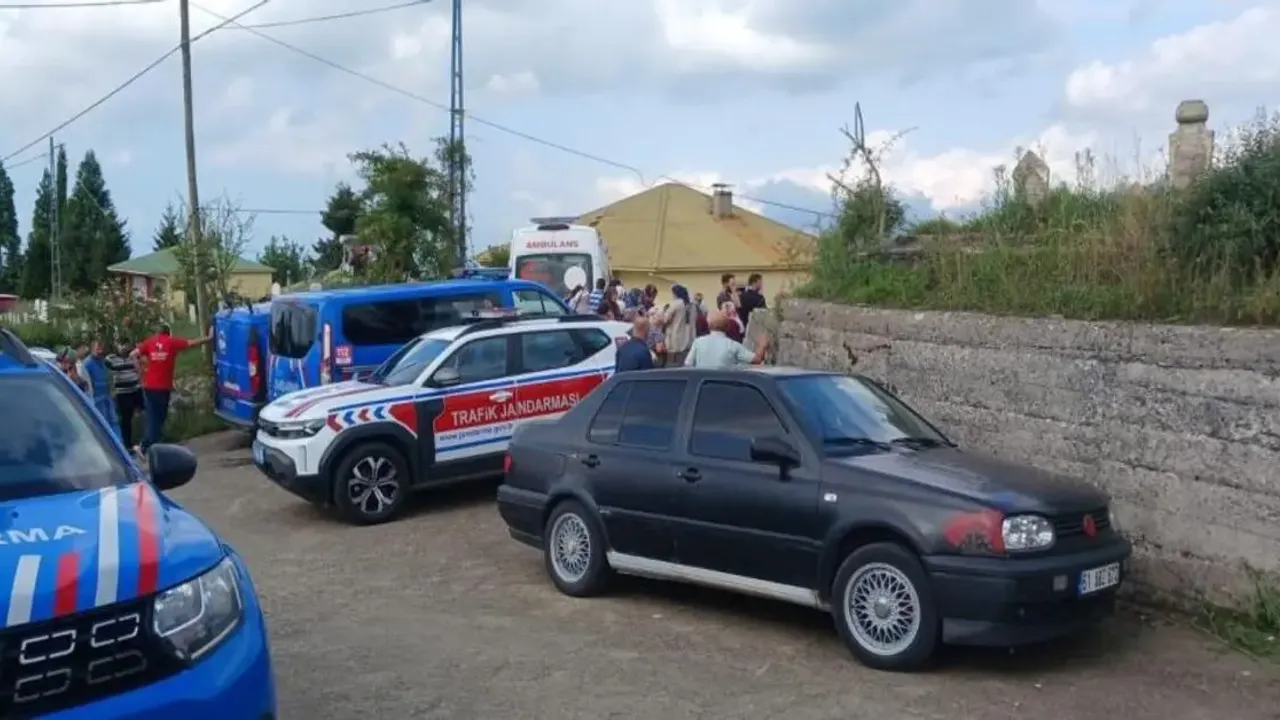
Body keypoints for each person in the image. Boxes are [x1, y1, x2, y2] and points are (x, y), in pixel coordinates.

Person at [132, 322, 210, 455]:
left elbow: (133, 354)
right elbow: (192, 343)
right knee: (158, 418)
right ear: (168, 333)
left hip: (150, 386)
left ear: (158, 333)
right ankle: (144, 446)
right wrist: (209, 338)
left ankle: (152, 445)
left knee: (156, 417)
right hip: (162, 387)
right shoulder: (171, 342)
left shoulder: (150, 342)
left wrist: (141, 372)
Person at [685, 310, 770, 369]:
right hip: (726, 385)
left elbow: (688, 364)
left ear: (709, 325)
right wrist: (762, 345)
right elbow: (756, 360)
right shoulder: (733, 345)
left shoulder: (698, 342)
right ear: (727, 326)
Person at [80, 336, 123, 440]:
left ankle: (119, 444)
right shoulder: (87, 364)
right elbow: (86, 385)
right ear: (92, 349)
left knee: (114, 423)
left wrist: (111, 393)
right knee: (102, 427)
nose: (100, 351)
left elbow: (108, 378)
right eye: (97, 348)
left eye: (101, 348)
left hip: (107, 399)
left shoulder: (103, 361)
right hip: (96, 401)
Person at [106, 340, 144, 449]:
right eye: (121, 345)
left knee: (144, 413)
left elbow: (142, 367)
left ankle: (143, 439)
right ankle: (127, 444)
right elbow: (104, 362)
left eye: (125, 345)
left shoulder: (134, 357)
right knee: (126, 419)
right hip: (123, 393)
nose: (123, 347)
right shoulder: (111, 359)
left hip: (136, 390)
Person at [660, 284, 696, 366]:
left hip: (675, 338)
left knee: (673, 363)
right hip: (689, 338)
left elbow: (666, 319)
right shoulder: (692, 305)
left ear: (675, 293)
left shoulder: (676, 304)